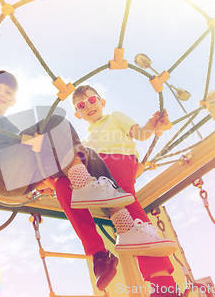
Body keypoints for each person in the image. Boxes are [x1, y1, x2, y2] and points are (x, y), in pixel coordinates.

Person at [0, 42, 173, 291]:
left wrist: (48, 181)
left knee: (73, 153)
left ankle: (109, 245)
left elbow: (41, 151)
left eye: (8, 94)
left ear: (13, 102)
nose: (1, 94)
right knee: (55, 122)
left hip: (17, 181)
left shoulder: (10, 127)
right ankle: (86, 185)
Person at [66, 84, 180, 297]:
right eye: (82, 105)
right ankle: (162, 282)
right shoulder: (86, 139)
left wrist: (152, 124)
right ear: (77, 114)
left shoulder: (114, 117)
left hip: (118, 160)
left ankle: (164, 283)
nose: (89, 106)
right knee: (128, 223)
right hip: (98, 172)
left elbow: (141, 133)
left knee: (128, 207)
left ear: (102, 102)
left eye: (92, 100)